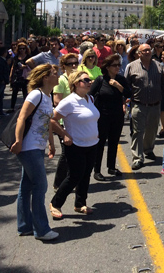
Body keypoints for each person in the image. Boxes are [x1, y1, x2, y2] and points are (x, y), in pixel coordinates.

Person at [9, 64, 59, 241]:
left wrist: (51, 145)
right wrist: (18, 141)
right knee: (40, 186)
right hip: (28, 147)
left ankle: (25, 226)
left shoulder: (47, 96)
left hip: (38, 146)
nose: (57, 75)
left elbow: (48, 123)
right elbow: (22, 117)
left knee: (27, 186)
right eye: (54, 73)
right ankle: (42, 230)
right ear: (45, 77)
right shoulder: (35, 94)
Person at [49, 71, 100, 219]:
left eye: (90, 79)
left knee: (85, 175)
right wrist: (64, 134)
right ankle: (56, 203)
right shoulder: (69, 101)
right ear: (76, 83)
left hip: (92, 144)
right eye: (85, 80)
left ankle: (80, 203)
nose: (90, 82)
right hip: (75, 144)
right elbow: (52, 119)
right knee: (74, 176)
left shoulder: (89, 98)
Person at [125, 44, 164, 169]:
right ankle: (137, 158)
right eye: (144, 50)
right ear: (139, 53)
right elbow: (126, 84)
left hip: (155, 104)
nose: (148, 52)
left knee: (152, 129)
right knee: (138, 131)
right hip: (138, 104)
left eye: (149, 50)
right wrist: (125, 101)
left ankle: (148, 149)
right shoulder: (131, 66)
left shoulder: (159, 66)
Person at [90, 54, 132, 180]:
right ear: (107, 67)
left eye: (119, 65)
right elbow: (90, 95)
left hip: (117, 115)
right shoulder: (100, 80)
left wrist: (118, 86)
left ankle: (111, 167)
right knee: (101, 143)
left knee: (114, 142)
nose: (117, 67)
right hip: (102, 116)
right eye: (114, 65)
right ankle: (97, 170)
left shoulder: (121, 79)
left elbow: (129, 93)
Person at [51, 53, 79, 190]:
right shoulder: (62, 80)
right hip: (64, 121)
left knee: (75, 152)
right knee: (66, 153)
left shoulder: (79, 78)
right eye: (70, 64)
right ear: (64, 66)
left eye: (75, 63)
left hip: (77, 122)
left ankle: (71, 179)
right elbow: (56, 101)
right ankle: (58, 183)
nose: (74, 66)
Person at [9, 42, 31, 113]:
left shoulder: (28, 57)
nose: (22, 50)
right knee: (14, 92)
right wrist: (11, 76)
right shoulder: (16, 57)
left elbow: (32, 66)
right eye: (20, 48)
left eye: (23, 48)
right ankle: (12, 107)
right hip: (17, 76)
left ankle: (26, 107)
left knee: (25, 93)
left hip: (25, 77)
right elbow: (13, 66)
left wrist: (25, 66)